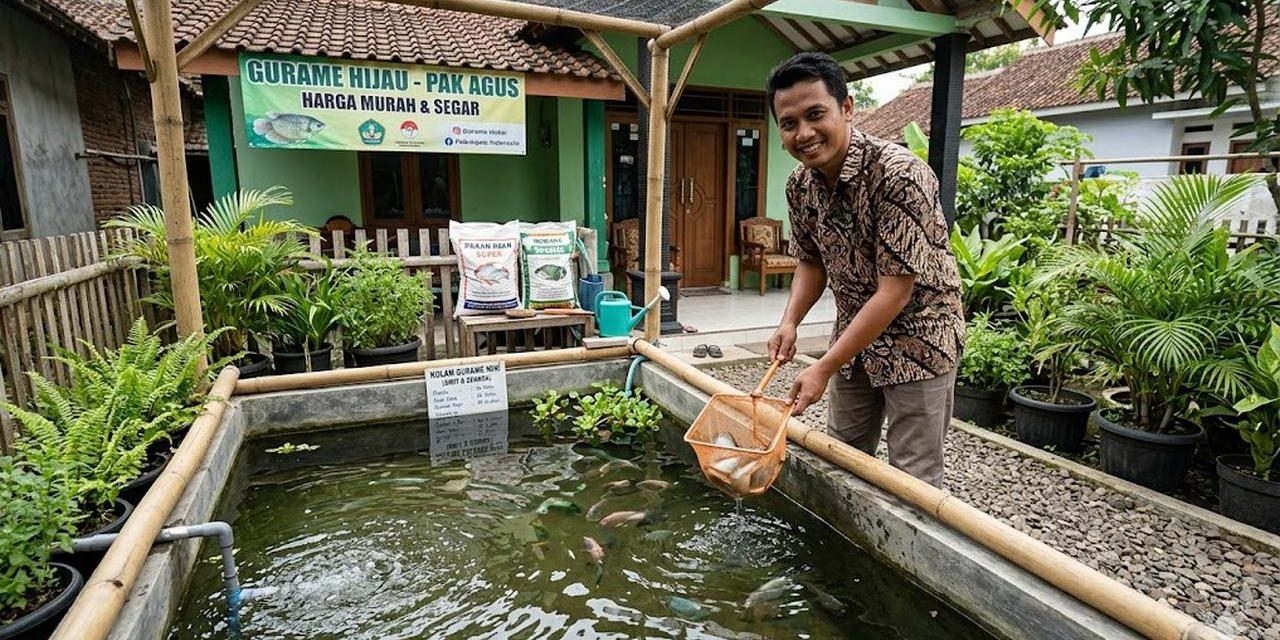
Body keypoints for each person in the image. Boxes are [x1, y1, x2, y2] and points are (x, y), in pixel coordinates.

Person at [764, 52, 964, 487]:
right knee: (843, 457)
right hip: (855, 338)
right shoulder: (800, 185)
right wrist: (790, 321)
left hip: (920, 341)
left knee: (911, 479)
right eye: (789, 122)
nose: (804, 133)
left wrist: (822, 367)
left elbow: (894, 293)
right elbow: (812, 260)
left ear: (848, 108)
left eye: (816, 114)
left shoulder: (900, 176)